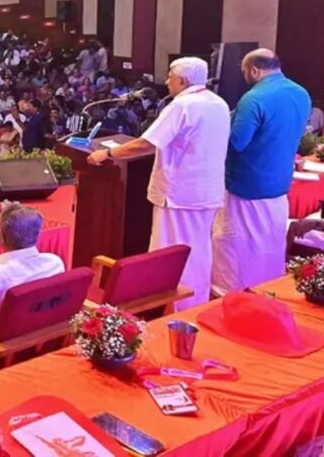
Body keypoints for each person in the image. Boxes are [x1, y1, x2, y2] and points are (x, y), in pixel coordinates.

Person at [88, 58, 230, 309]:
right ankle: (196, 301)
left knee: (171, 253)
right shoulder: (218, 103)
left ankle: (173, 308)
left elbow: (147, 143)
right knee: (199, 250)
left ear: (183, 81)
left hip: (179, 194)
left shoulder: (182, 105)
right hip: (207, 190)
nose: (166, 81)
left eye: (170, 76)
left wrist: (107, 154)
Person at [213, 49, 310, 294]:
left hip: (247, 183)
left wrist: (216, 128)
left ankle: (230, 294)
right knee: (269, 242)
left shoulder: (254, 97)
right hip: (278, 182)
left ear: (254, 70)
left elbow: (237, 142)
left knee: (233, 242)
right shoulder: (300, 93)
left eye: (245, 71)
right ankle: (267, 289)